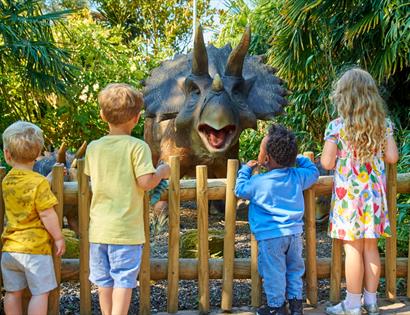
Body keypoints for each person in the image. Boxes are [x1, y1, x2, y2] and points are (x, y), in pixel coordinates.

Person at [84, 83, 170, 315]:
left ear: (102, 115)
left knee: (103, 280)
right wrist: (162, 171)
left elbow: (92, 178)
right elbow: (146, 183)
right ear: (136, 118)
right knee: (123, 279)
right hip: (126, 231)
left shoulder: (93, 148)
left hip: (99, 230)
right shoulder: (137, 147)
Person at [322, 68, 399, 315]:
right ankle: (372, 302)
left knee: (352, 249)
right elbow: (392, 156)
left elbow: (326, 162)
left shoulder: (337, 127)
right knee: (371, 248)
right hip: (374, 196)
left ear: (344, 96)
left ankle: (353, 305)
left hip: (349, 198)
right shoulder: (383, 125)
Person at [235, 124, 319, 315]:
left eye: (261, 150)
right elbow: (313, 172)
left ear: (266, 158)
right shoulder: (297, 176)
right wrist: (296, 157)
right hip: (294, 235)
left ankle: (276, 307)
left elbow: (240, 189)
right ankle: (297, 306)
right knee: (295, 270)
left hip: (270, 237)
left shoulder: (258, 182)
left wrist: (245, 170)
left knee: (274, 274)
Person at [1, 121, 66, 315]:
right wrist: (58, 238)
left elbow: (27, 191)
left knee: (13, 293)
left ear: (7, 154)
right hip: (35, 251)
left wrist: (49, 179)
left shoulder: (7, 181)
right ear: (38, 154)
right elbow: (46, 213)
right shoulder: (38, 183)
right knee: (40, 293)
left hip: (10, 249)